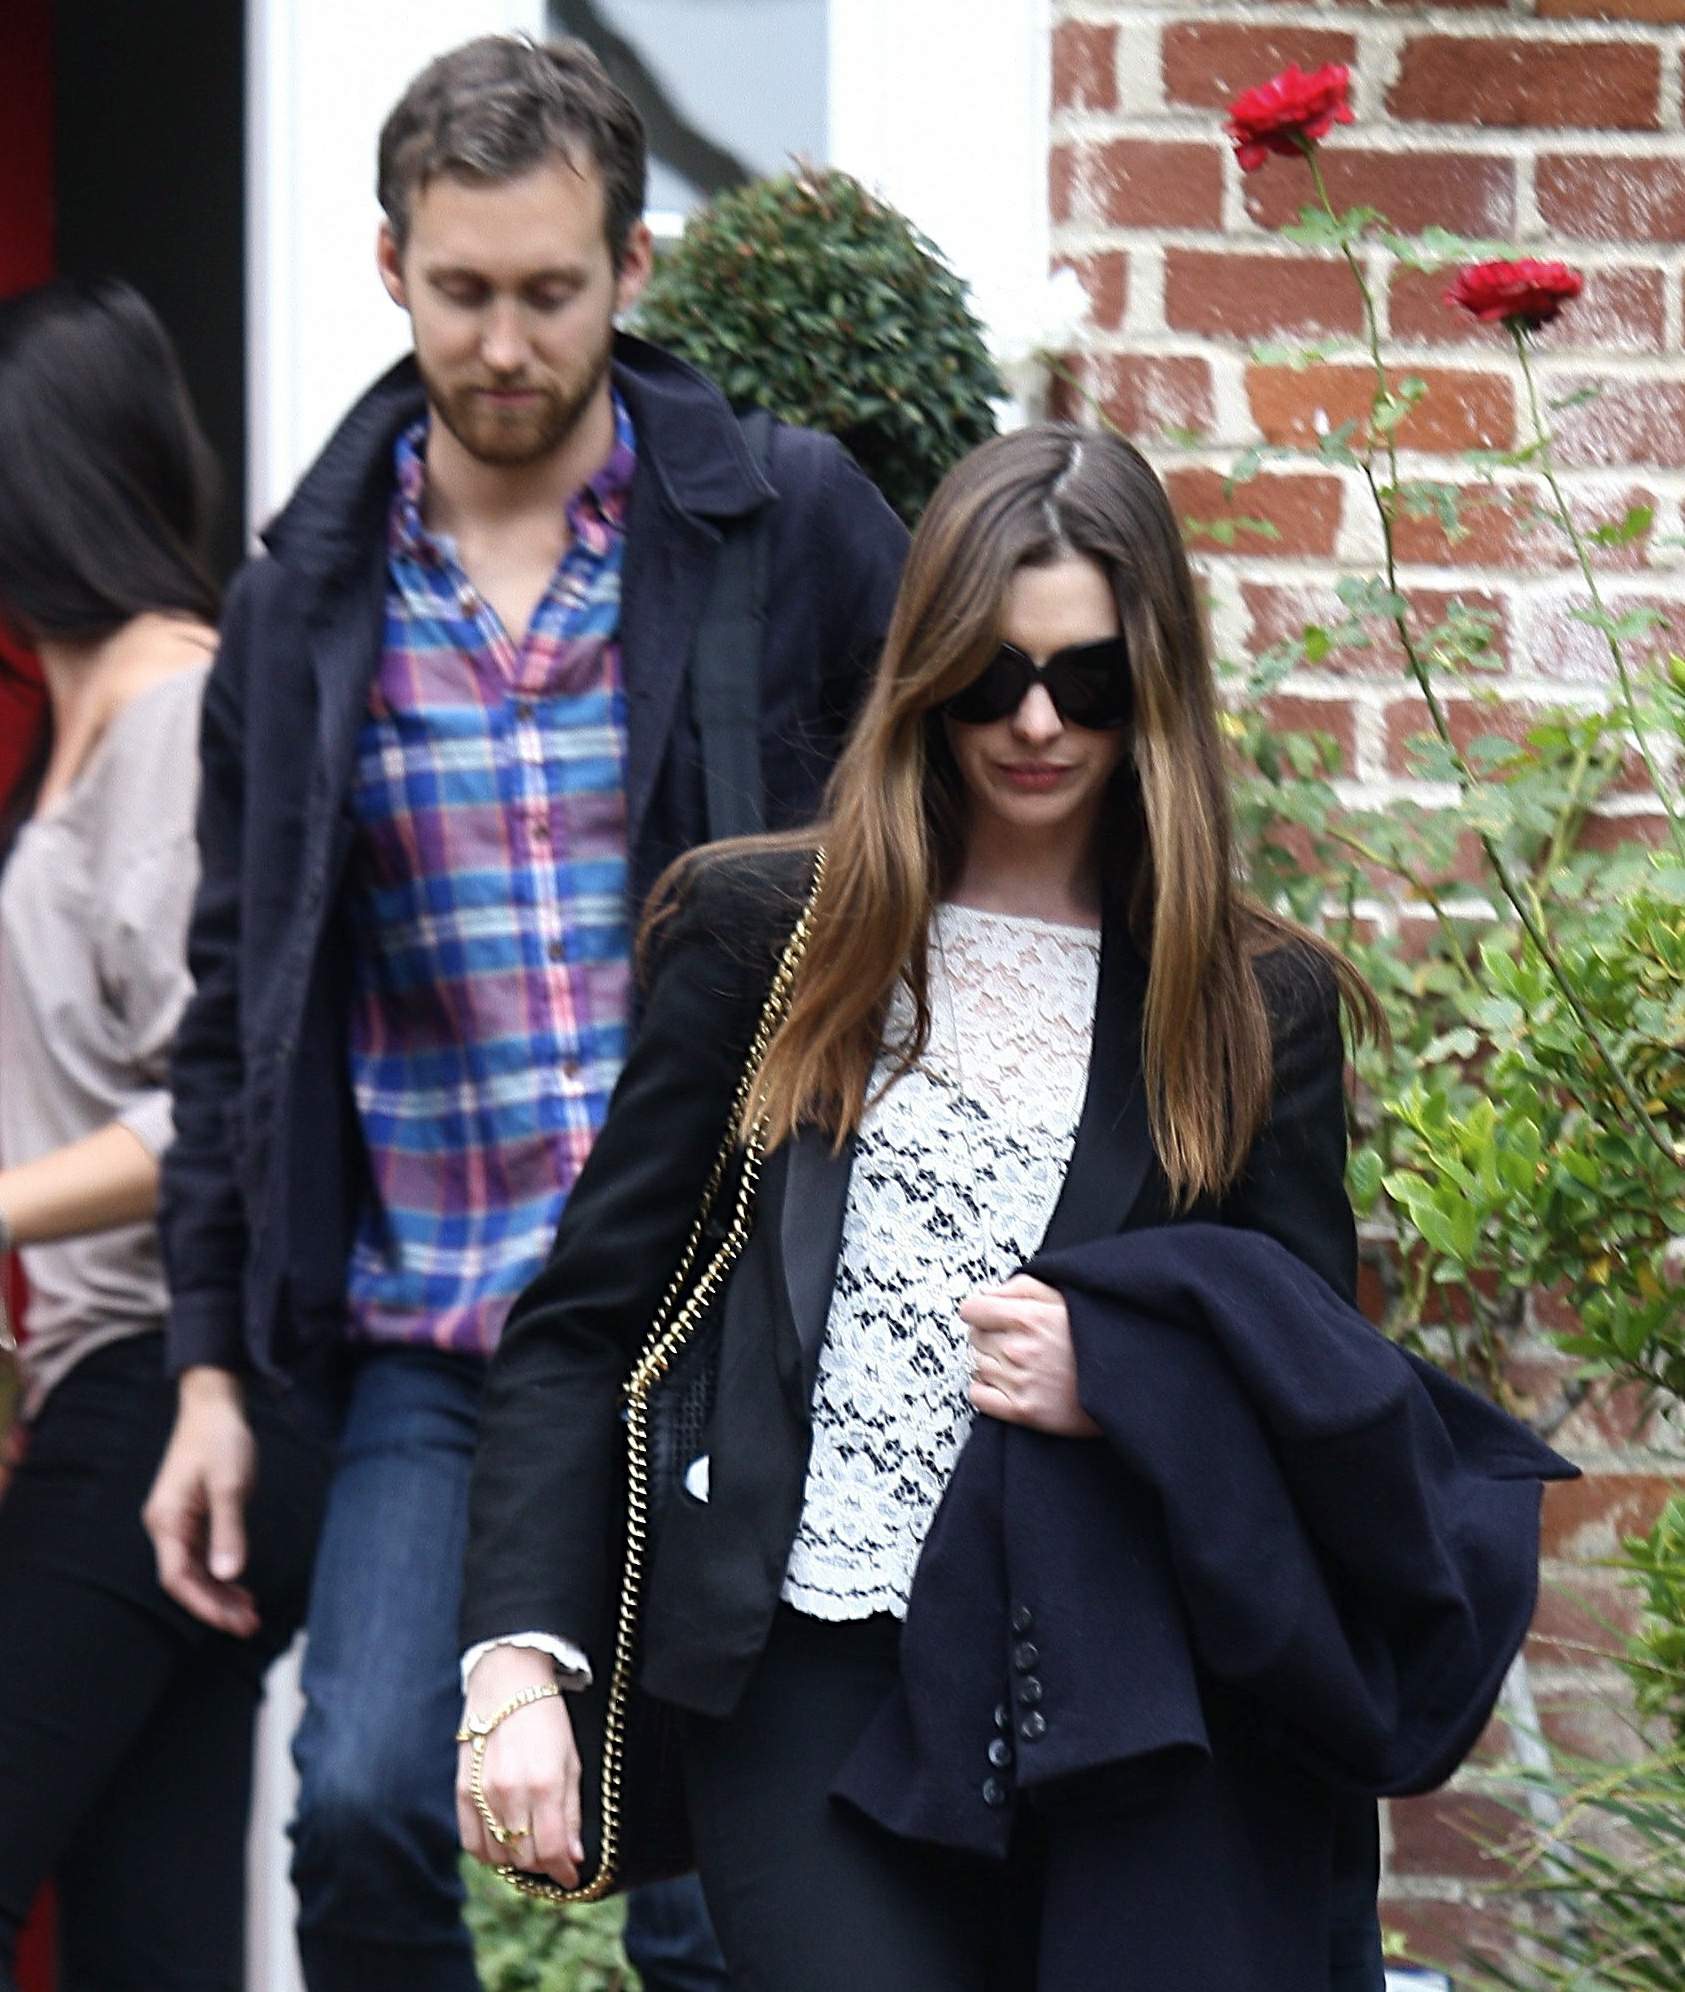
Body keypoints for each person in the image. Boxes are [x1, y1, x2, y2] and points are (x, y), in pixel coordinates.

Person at [457, 426, 1568, 1988]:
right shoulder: (764, 937)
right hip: (802, 1672)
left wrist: (1122, 1376)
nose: (1035, 723)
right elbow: (588, 1319)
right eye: (990, 675)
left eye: (1087, 681)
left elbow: (1308, 1398)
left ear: (1154, 688)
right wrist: (515, 1666)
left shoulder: (1249, 1007)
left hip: (1108, 1694)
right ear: (925, 671)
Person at [142, 32, 907, 1992]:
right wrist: (212, 1374)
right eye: (462, 289)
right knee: (364, 1810)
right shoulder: (303, 608)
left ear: (632, 268)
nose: (503, 342)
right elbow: (235, 1016)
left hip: (729, 1312)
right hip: (442, 1339)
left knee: (715, 1896)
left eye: (549, 291)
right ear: (390, 267)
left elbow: (952, 847)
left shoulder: (782, 524)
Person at [0, 279, 328, 1992]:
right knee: (149, 1932)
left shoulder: (175, 715)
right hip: (124, 1386)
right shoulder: (88, 725)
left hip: (177, 1386)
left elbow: (221, 1101)